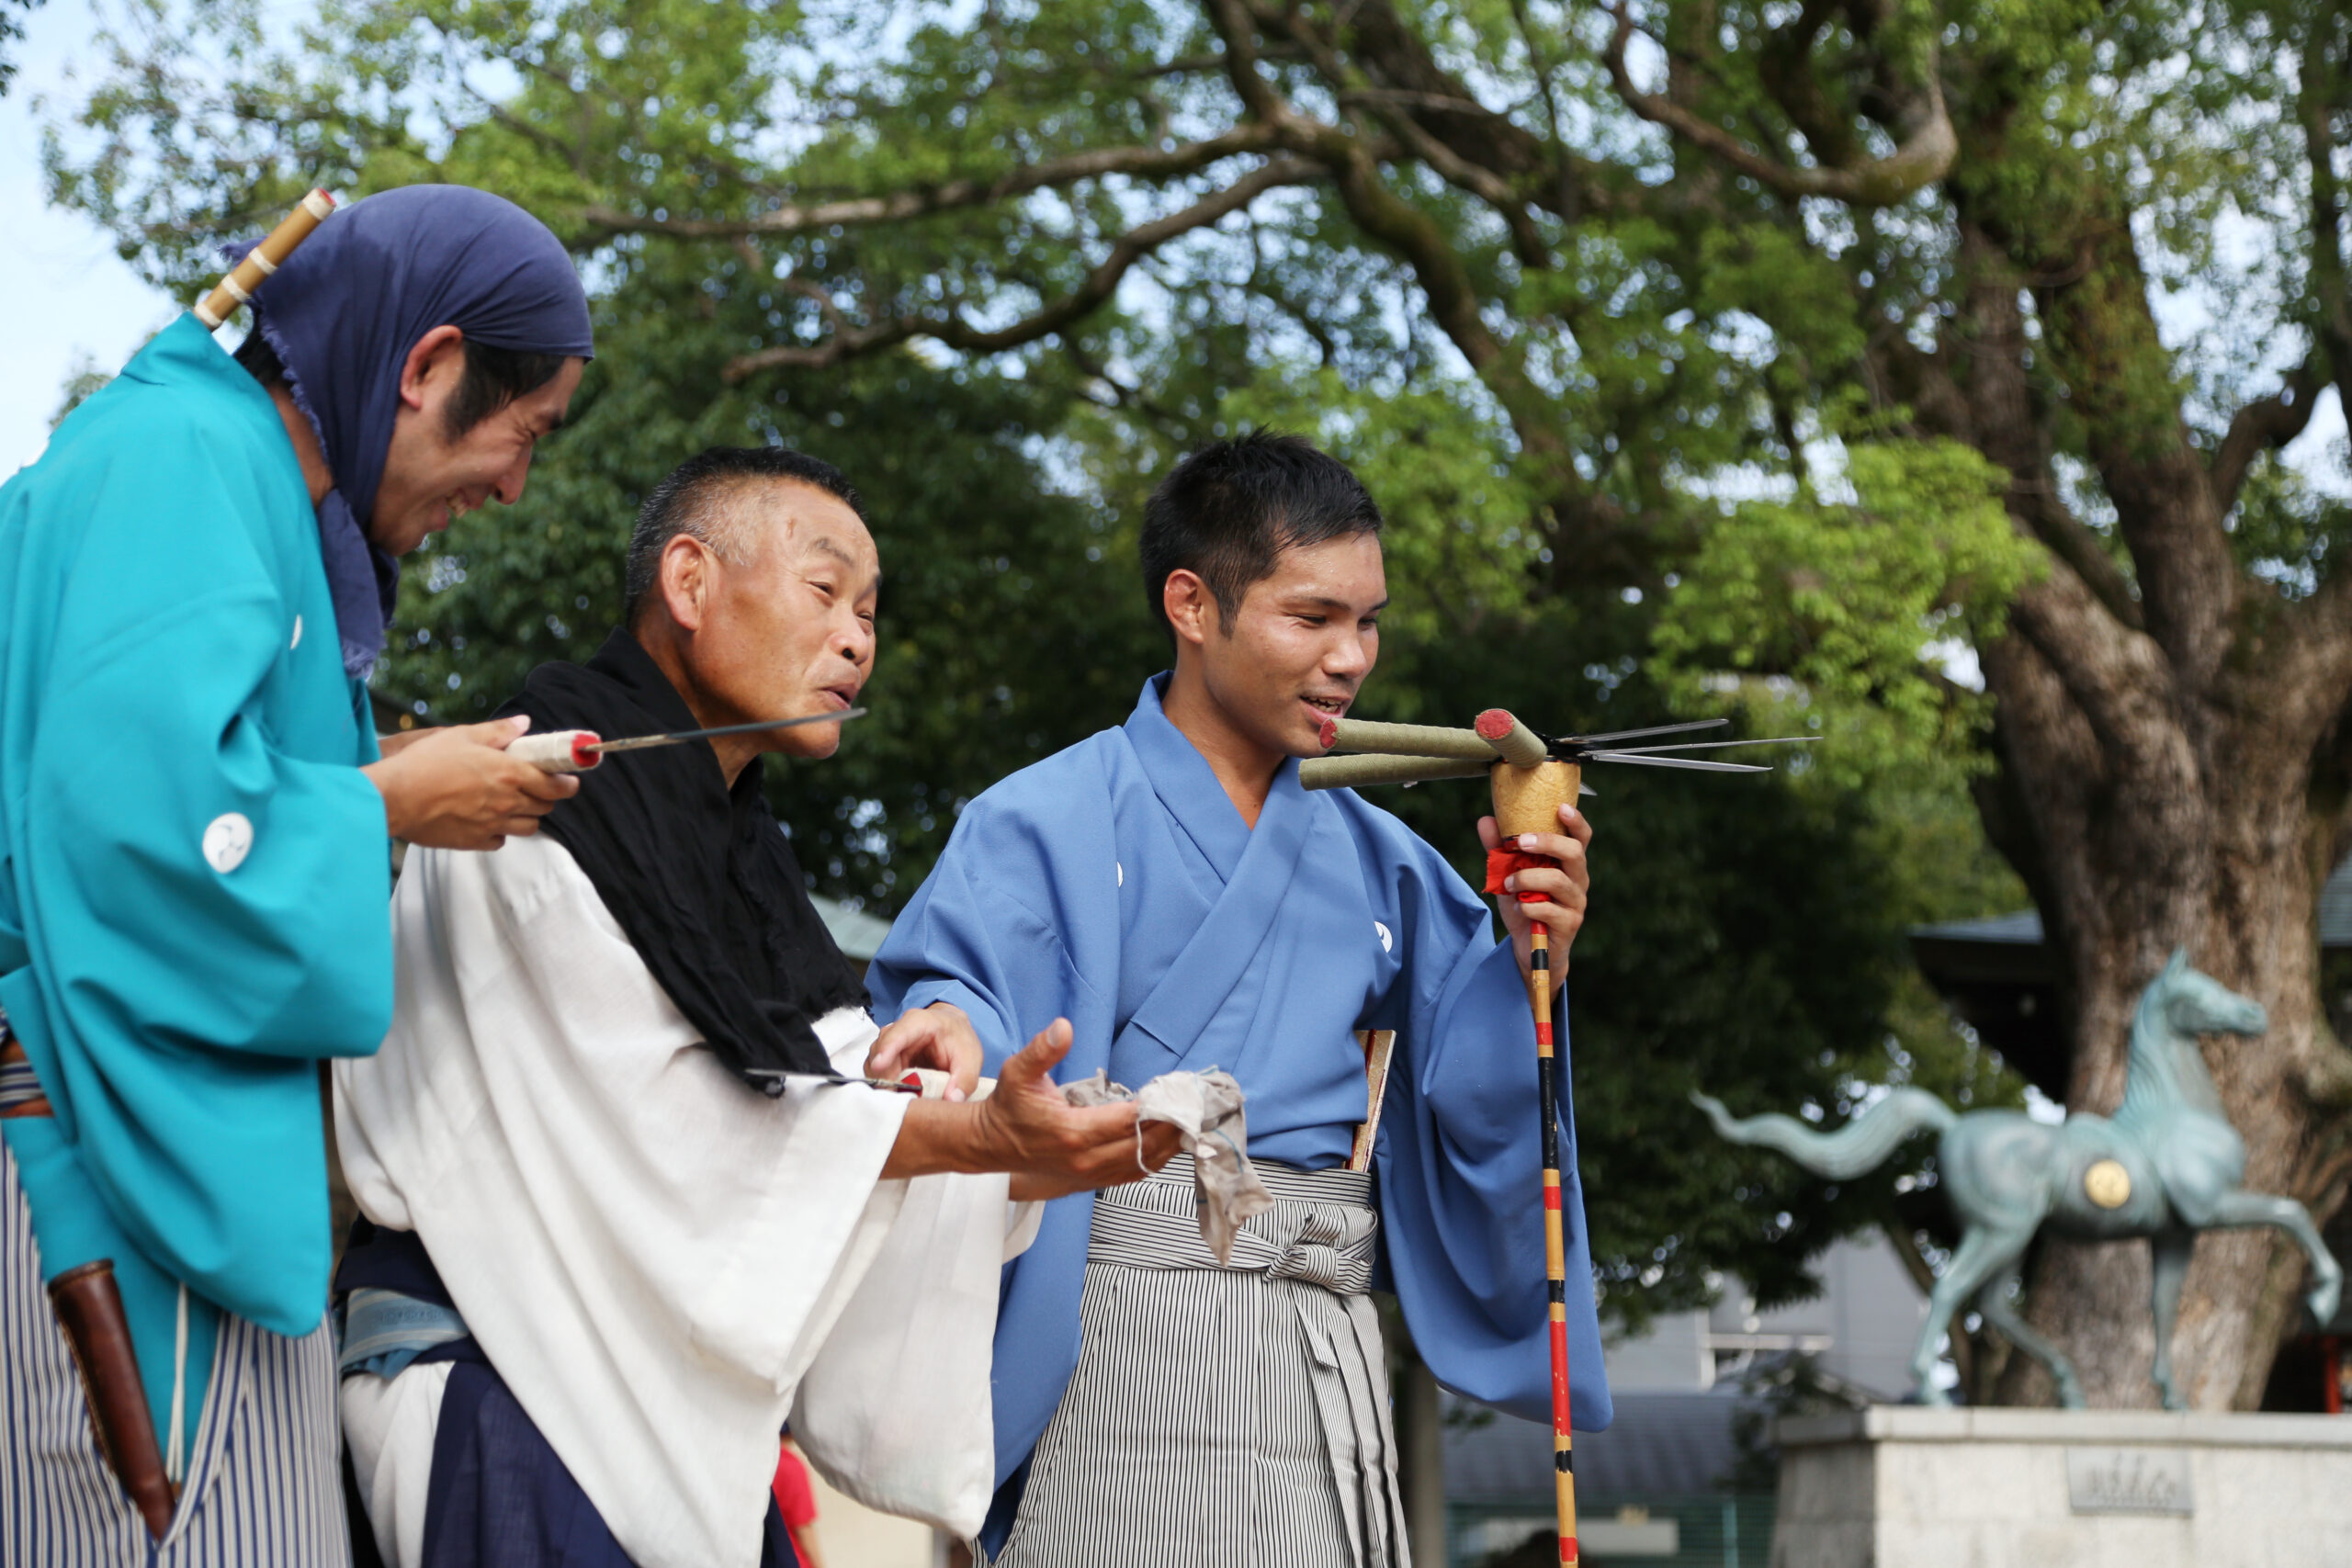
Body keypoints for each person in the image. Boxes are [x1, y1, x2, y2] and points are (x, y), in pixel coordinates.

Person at [333, 445, 1182, 1568]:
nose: (856, 638)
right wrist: (967, 1136)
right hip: (507, 1390)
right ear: (689, 585)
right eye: (825, 592)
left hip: (650, 1415)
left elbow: (825, 1117)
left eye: (869, 612)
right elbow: (668, 1134)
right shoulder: (524, 807)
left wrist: (1003, 1135)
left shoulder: (745, 862)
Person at [865, 431, 1615, 1566]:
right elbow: (963, 1004)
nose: (1350, 657)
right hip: (1113, 1319)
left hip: (1320, 1328)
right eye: (1311, 618)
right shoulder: (1043, 820)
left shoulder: (1387, 861)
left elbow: (1484, 1094)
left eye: (1366, 622)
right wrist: (952, 1027)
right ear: (1192, 605)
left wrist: (1527, 952)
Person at [0, 184, 593, 1562]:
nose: (512, 485)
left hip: (135, 1151)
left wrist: (391, 782)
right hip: (97, 1166)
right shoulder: (181, 458)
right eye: (524, 434)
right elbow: (142, 839)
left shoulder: (197, 460)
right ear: (429, 364)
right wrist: (388, 797)